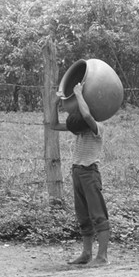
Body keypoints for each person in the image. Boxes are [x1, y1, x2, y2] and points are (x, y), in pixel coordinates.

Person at [51, 82, 110, 267]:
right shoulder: (80, 128)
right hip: (77, 172)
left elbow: (85, 114)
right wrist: (54, 104)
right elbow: (53, 125)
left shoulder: (96, 129)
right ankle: (86, 254)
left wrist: (78, 93)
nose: (75, 134)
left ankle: (102, 257)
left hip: (90, 173)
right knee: (83, 216)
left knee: (98, 215)